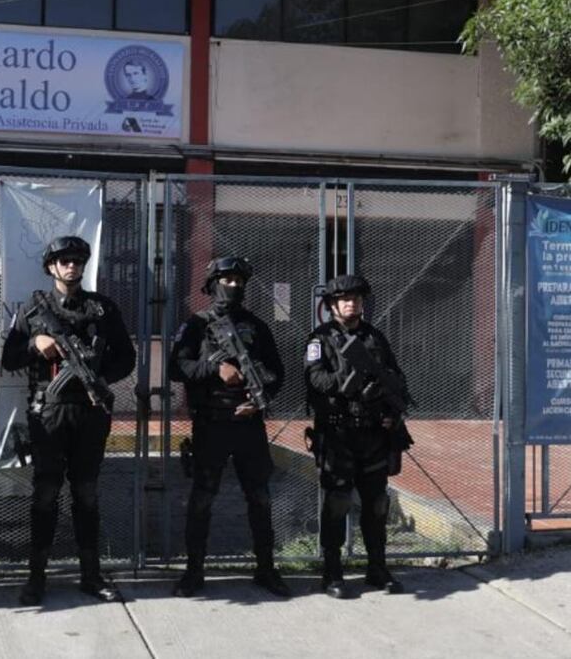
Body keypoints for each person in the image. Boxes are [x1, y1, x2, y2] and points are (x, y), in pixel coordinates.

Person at [1, 235, 136, 606]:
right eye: (64, 261)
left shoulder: (103, 309)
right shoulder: (33, 308)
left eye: (77, 260)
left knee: (87, 495)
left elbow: (126, 359)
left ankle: (91, 576)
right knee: (45, 495)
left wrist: (95, 371)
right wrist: (35, 345)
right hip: (49, 412)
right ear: (51, 267)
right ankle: (36, 578)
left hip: (91, 412)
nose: (71, 266)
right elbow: (9, 358)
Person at [168, 256, 291, 598]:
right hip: (212, 425)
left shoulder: (257, 325)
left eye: (239, 280)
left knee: (260, 499)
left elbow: (277, 371)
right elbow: (176, 368)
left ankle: (266, 569)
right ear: (212, 284)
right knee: (202, 500)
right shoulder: (196, 325)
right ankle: (194, 573)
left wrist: (261, 396)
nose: (234, 286)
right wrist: (214, 367)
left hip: (249, 425)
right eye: (227, 280)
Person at [305, 274, 410, 598]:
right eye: (345, 299)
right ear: (333, 304)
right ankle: (332, 572)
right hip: (338, 433)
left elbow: (397, 378)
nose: (352, 303)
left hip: (373, 434)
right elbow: (314, 380)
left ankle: (377, 568)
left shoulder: (375, 339)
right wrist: (347, 380)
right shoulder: (319, 340)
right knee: (337, 503)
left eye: (357, 299)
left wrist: (389, 402)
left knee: (377, 504)